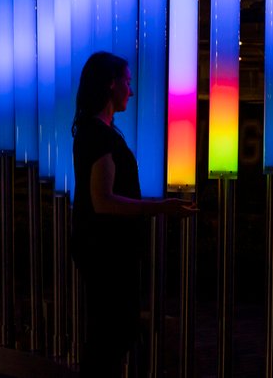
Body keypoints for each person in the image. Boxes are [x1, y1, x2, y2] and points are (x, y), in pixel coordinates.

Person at [71, 51, 195, 377]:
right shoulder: (99, 135)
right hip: (108, 253)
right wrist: (160, 208)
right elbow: (104, 201)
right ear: (111, 84)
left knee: (111, 333)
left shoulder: (96, 131)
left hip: (107, 250)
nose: (132, 89)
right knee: (112, 333)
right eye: (127, 81)